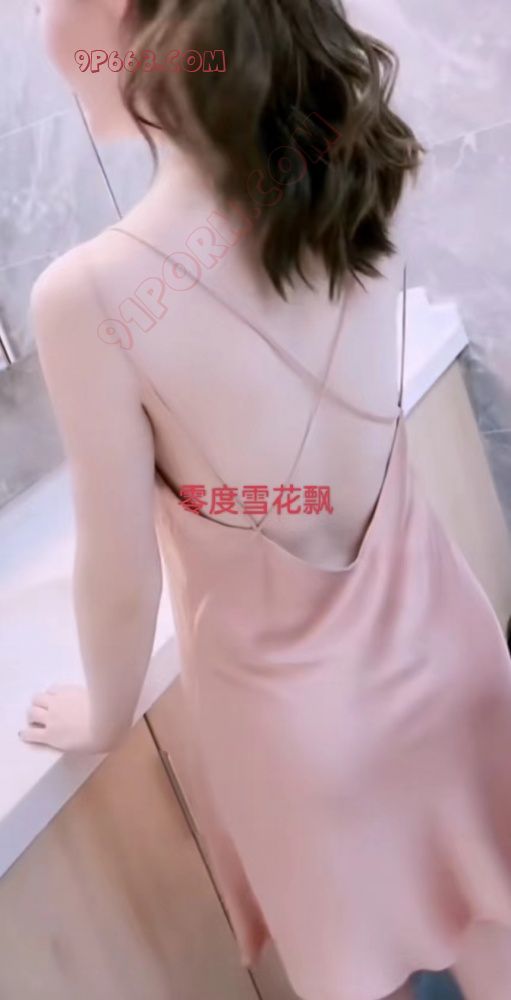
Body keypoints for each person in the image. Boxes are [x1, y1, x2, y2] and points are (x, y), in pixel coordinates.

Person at [20, 2, 511, 999]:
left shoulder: (90, 296)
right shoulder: (353, 173)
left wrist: (104, 716)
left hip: (304, 736)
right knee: (495, 920)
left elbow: (119, 574)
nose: (37, 20)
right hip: (456, 663)